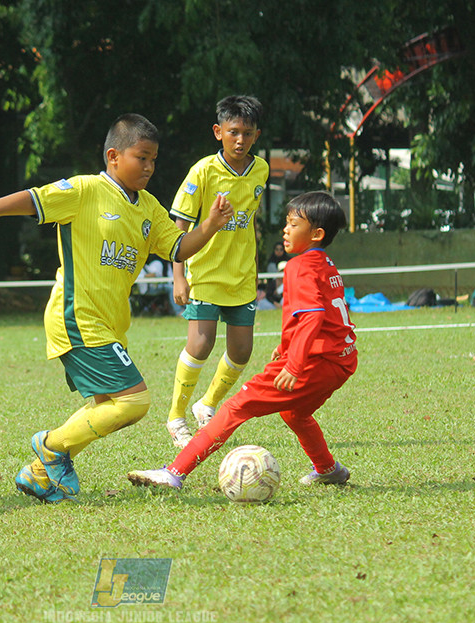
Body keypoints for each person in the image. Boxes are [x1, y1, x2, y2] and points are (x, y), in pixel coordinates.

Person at [0, 113, 235, 503]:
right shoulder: (84, 190)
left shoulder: (149, 208)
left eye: (154, 159)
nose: (150, 167)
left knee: (106, 406)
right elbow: (34, 199)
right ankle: (50, 446)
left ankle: (38, 475)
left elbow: (179, 248)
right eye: (142, 157)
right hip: (77, 317)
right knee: (134, 402)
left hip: (109, 323)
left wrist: (211, 225)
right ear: (114, 156)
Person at [127, 191, 357, 491]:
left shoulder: (299, 266)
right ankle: (328, 469)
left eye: (293, 224)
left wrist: (296, 363)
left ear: (317, 234)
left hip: (314, 362)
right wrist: (286, 346)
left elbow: (312, 318)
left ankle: (174, 472)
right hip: (341, 361)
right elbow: (324, 315)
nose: (285, 230)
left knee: (234, 409)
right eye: (286, 223)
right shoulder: (324, 263)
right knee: (296, 413)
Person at [165, 95, 269, 448]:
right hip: (204, 274)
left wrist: (253, 267)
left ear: (256, 135)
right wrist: (179, 275)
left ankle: (206, 405)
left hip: (241, 277)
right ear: (218, 132)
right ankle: (176, 417)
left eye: (248, 133)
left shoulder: (262, 170)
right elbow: (179, 225)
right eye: (233, 132)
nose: (240, 140)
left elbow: (249, 222)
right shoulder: (203, 172)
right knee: (201, 342)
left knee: (241, 351)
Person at [261, 241, 290, 305]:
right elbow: (269, 295)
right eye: (277, 249)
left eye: (281, 249)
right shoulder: (271, 264)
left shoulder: (289, 261)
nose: (279, 251)